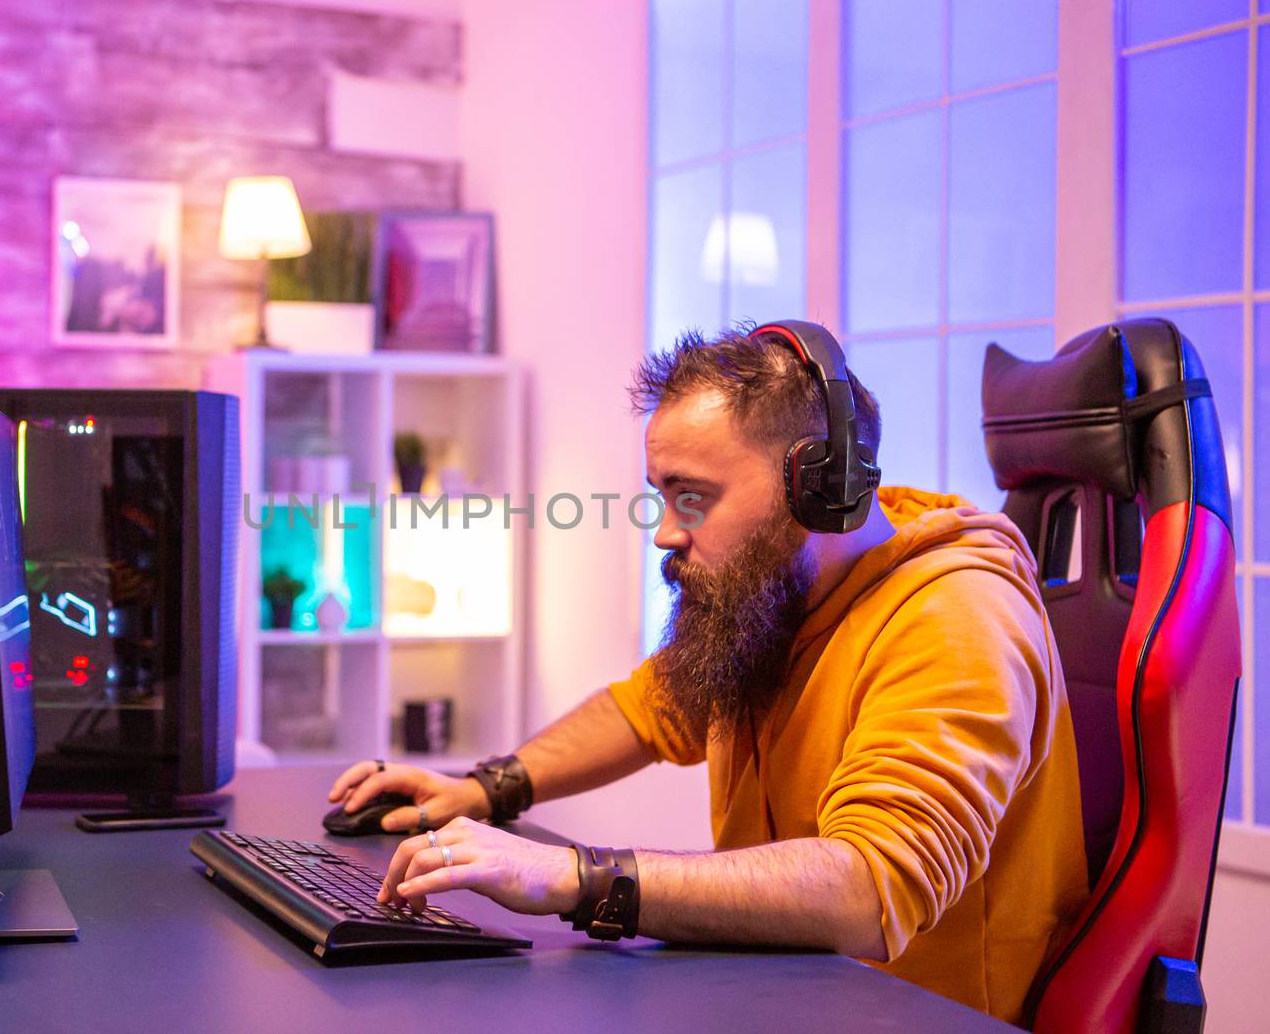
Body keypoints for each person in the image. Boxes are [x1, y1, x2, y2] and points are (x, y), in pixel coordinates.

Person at [325, 324, 1088, 1024]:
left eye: (694, 497)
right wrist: (487, 786)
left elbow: (869, 889)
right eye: (663, 494)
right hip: (793, 995)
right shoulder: (779, 597)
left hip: (910, 1013)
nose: (664, 532)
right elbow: (651, 708)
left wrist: (579, 877)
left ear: (817, 487)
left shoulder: (955, 617)